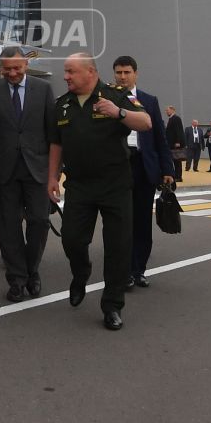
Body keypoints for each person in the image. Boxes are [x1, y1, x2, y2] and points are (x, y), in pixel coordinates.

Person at [47, 52, 150, 331]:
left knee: (118, 247)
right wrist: (52, 177)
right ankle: (81, 273)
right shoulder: (62, 105)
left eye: (71, 71)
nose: (66, 76)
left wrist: (119, 113)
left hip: (115, 185)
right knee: (71, 239)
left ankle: (112, 305)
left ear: (90, 72)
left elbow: (146, 122)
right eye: (65, 72)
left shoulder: (115, 95)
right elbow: (56, 144)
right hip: (79, 185)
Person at [0, 46, 53, 302]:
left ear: (26, 65)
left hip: (37, 168)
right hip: (5, 169)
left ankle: (32, 270)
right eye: (7, 69)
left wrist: (55, 171)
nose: (12, 73)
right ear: (1, 68)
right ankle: (17, 279)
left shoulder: (43, 89)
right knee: (8, 227)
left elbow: (53, 132)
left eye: (17, 68)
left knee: (40, 221)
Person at [111, 55, 172, 289]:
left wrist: (167, 169)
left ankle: (139, 270)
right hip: (118, 166)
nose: (123, 76)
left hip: (144, 166)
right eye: (119, 72)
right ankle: (123, 270)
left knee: (142, 221)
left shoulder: (149, 100)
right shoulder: (106, 98)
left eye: (127, 72)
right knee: (119, 221)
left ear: (136, 73)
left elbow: (159, 138)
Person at [164, 104, 186, 183]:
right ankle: (175, 175)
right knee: (174, 160)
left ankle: (178, 176)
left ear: (173, 110)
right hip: (171, 143)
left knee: (177, 161)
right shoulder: (170, 119)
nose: (166, 111)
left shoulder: (176, 118)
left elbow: (178, 130)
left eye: (167, 110)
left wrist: (178, 141)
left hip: (175, 144)